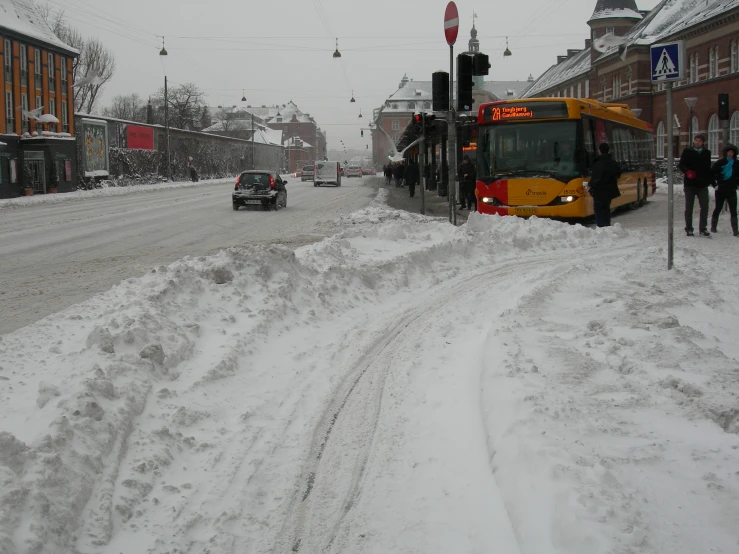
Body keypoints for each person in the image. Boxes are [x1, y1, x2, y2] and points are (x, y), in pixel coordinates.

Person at [679, 132, 714, 236]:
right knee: (689, 207)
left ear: (703, 143)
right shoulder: (687, 151)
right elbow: (681, 164)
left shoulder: (706, 153)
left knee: (705, 206)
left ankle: (703, 228)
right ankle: (689, 228)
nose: (697, 142)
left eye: (699, 141)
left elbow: (708, 168)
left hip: (702, 184)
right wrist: (687, 171)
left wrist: (712, 181)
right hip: (690, 184)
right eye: (696, 140)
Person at [588, 143, 622, 227]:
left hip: (599, 192)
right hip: (609, 192)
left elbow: (596, 179)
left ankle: (601, 227)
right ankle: (607, 226)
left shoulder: (597, 163)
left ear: (599, 151)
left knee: (598, 210)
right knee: (606, 209)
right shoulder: (613, 163)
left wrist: (590, 184)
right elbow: (618, 174)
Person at [711, 144, 739, 236]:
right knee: (718, 207)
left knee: (733, 210)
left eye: (732, 152)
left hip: (731, 189)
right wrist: (714, 185)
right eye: (729, 152)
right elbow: (712, 174)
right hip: (721, 189)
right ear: (726, 153)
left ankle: (735, 230)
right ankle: (713, 226)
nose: (730, 154)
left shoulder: (736, 163)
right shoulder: (720, 163)